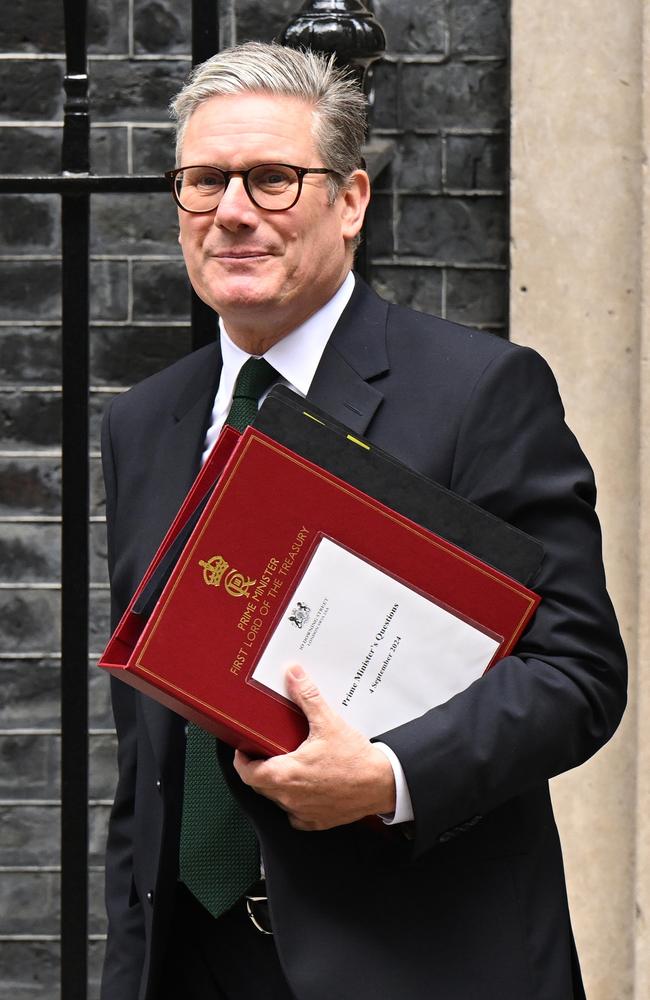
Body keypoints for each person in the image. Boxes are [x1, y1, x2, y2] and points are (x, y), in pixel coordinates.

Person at [100, 41, 627, 1000]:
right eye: (205, 181)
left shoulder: (478, 393)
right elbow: (150, 745)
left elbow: (579, 673)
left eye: (272, 179)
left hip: (411, 961)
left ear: (350, 202)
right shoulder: (144, 422)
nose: (232, 212)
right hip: (189, 963)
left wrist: (388, 776)